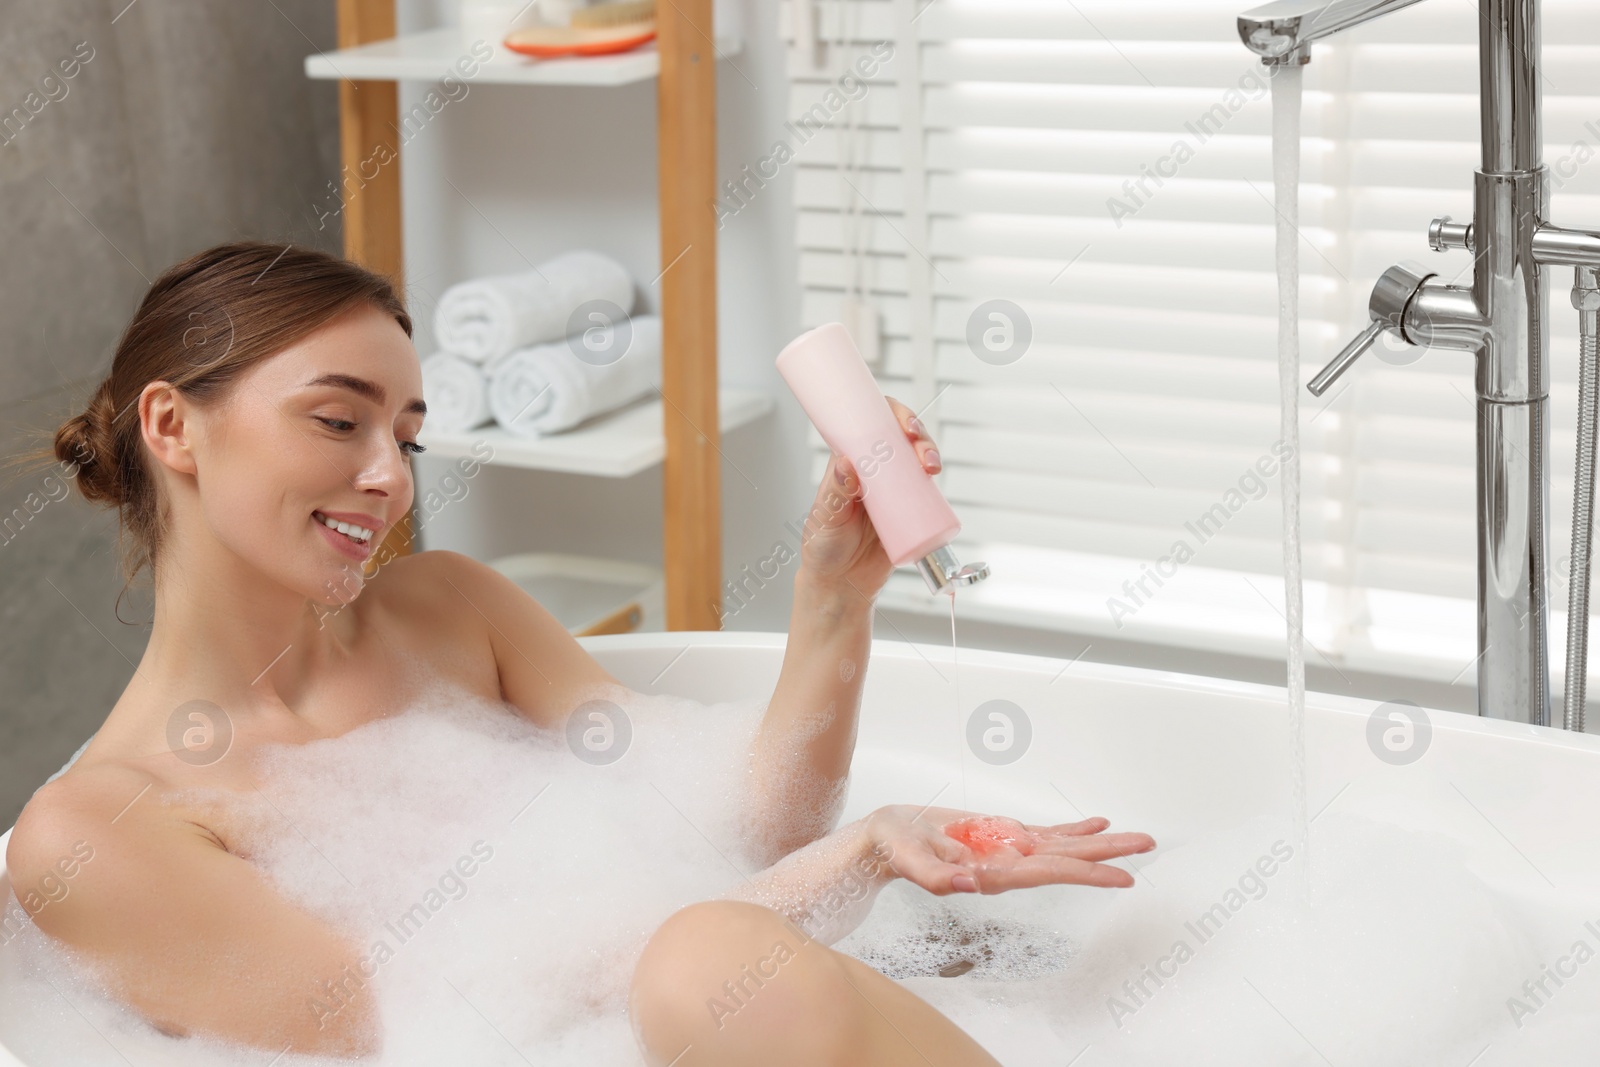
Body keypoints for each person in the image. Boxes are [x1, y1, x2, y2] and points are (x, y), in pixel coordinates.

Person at [3, 241, 1155, 1064]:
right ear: (170, 426)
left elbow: (751, 836)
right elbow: (423, 1026)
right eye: (337, 418)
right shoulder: (93, 832)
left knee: (710, 956)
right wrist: (852, 859)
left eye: (407, 434)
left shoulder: (447, 608)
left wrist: (831, 599)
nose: (389, 476)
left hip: (746, 1023)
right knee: (706, 958)